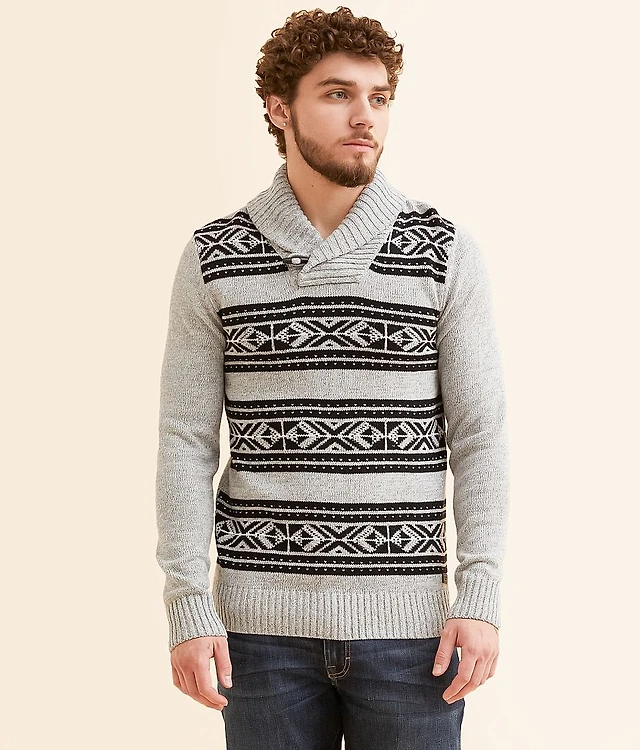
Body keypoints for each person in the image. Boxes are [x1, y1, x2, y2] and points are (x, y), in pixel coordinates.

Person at [155, 7, 509, 749]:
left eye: (379, 97)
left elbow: (481, 435)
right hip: (257, 638)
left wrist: (479, 594)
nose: (364, 117)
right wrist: (188, 603)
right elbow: (185, 440)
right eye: (338, 94)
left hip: (414, 638)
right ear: (278, 108)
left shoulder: (442, 251)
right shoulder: (215, 257)